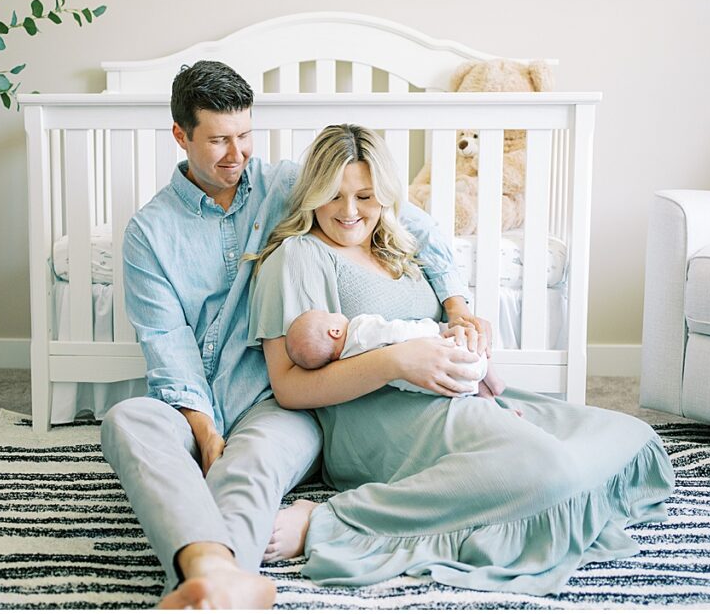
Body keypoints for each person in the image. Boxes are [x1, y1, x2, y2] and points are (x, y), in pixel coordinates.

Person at [100, 62, 485, 609]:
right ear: (181, 136)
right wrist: (203, 429)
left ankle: (210, 580)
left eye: (245, 136)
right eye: (218, 141)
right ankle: (212, 569)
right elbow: (168, 344)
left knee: (250, 467)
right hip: (195, 402)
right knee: (126, 421)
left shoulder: (286, 184)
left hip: (274, 400)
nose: (236, 154)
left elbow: (406, 218)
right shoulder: (149, 232)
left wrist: (455, 302)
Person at [248, 124, 675, 595]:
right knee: (553, 474)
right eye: (334, 195)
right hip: (383, 420)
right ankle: (333, 518)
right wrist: (396, 361)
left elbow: (438, 318)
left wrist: (465, 328)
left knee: (633, 436)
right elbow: (289, 387)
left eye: (365, 197)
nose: (349, 212)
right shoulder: (298, 257)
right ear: (313, 194)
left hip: (461, 398)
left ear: (385, 195)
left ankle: (513, 473)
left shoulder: (400, 247)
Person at [285, 309, 510, 398]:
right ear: (334, 331)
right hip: (453, 355)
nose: (335, 311)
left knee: (470, 381)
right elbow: (398, 330)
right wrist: (434, 329)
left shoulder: (350, 363)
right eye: (329, 313)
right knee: (471, 343)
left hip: (448, 386)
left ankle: (486, 398)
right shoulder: (360, 330)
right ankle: (495, 382)